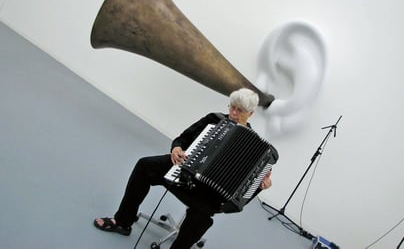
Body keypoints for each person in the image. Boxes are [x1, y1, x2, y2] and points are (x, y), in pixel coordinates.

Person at [93, 88, 272, 248]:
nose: (232, 113)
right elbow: (183, 138)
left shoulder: (254, 148)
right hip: (184, 172)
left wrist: (259, 186)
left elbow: (242, 193)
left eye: (239, 110)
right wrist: (176, 148)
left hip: (208, 195)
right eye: (231, 107)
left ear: (250, 114)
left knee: (202, 217)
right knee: (144, 166)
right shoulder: (214, 119)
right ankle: (123, 221)